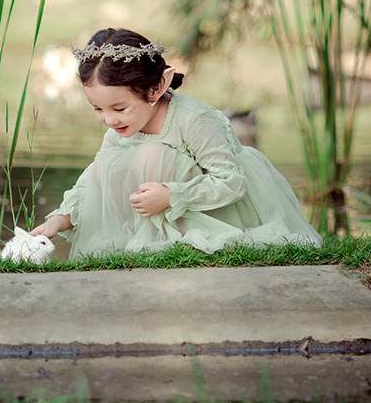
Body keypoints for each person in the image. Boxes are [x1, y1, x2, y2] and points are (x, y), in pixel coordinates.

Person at [30, 28, 322, 257]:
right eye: (97, 108)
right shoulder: (119, 127)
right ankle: (148, 238)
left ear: (156, 87)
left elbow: (232, 181)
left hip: (220, 204)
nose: (109, 120)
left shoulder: (194, 120)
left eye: (118, 108)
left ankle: (184, 239)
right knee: (107, 162)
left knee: (152, 156)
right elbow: (94, 179)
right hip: (164, 203)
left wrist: (172, 196)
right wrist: (60, 219)